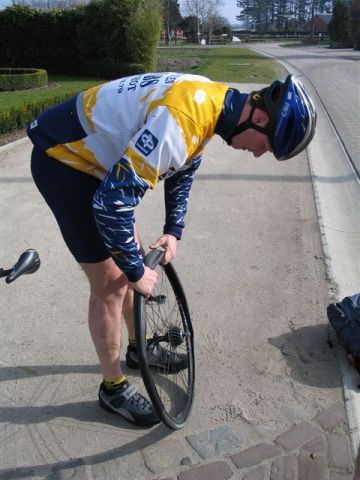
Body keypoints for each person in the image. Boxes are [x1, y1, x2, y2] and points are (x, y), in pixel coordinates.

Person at [28, 72, 316, 427]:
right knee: (112, 283)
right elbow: (111, 202)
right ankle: (113, 389)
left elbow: (186, 163)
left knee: (126, 257)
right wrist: (134, 270)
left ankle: (139, 348)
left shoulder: (214, 101)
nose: (258, 154)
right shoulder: (186, 116)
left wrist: (172, 230)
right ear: (260, 118)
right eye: (267, 145)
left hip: (97, 163)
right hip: (63, 161)